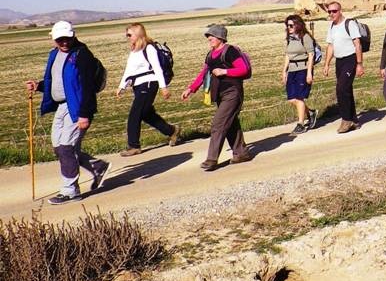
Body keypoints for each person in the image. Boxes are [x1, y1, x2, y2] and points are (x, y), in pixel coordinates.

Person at [25, 21, 111, 205]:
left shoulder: (82, 55)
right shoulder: (54, 54)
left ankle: (70, 191)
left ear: (74, 36)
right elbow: (56, 81)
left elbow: (87, 87)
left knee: (66, 147)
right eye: (60, 39)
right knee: (59, 147)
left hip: (77, 107)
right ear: (53, 39)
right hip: (62, 107)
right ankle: (97, 167)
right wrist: (39, 86)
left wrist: (84, 114)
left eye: (67, 38)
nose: (64, 42)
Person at [181, 25, 252, 171]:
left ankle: (212, 159)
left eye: (211, 36)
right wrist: (191, 89)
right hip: (219, 94)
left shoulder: (230, 51)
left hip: (232, 93)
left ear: (220, 37)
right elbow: (204, 73)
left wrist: (224, 71)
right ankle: (241, 153)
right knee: (230, 123)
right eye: (208, 36)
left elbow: (243, 69)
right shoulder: (210, 54)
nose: (209, 39)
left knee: (218, 124)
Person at [116, 23, 179, 156]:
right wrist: (122, 86)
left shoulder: (149, 48)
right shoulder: (134, 51)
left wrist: (163, 87)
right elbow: (129, 70)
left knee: (135, 115)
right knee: (147, 114)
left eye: (129, 34)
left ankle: (134, 146)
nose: (127, 37)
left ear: (138, 34)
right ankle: (172, 131)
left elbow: (157, 68)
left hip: (149, 84)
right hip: (137, 85)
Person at [322, 1, 364, 133]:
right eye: (329, 11)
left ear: (340, 11)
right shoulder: (331, 26)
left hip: (350, 60)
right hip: (339, 61)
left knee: (341, 89)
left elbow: (357, 44)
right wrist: (327, 64)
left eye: (334, 11)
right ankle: (354, 120)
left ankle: (346, 120)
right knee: (346, 90)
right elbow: (330, 46)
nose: (331, 14)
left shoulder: (349, 24)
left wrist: (359, 64)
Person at [281, 15, 318, 135]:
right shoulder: (290, 38)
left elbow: (311, 55)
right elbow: (288, 55)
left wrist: (309, 73)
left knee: (299, 97)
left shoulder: (305, 37)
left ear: (298, 25)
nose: (289, 27)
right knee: (292, 99)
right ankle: (311, 113)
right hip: (292, 70)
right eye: (287, 25)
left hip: (303, 69)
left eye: (291, 25)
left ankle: (300, 124)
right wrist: (284, 71)